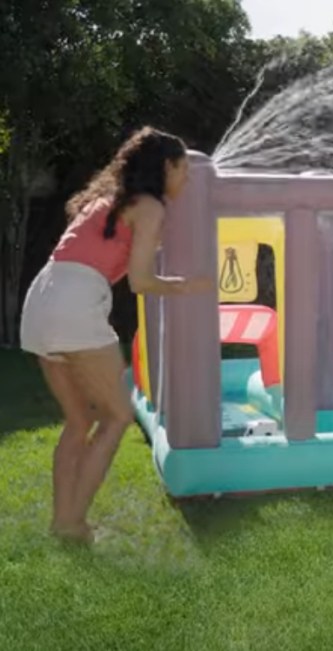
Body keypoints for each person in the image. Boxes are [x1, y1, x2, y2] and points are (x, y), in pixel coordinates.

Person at [19, 127, 213, 544]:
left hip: (41, 301)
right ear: (167, 167)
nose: (188, 179)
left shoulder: (105, 203)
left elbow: (112, 263)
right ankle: (71, 523)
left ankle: (63, 522)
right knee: (117, 416)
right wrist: (187, 285)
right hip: (75, 306)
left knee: (79, 420)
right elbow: (142, 282)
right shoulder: (149, 207)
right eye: (184, 170)